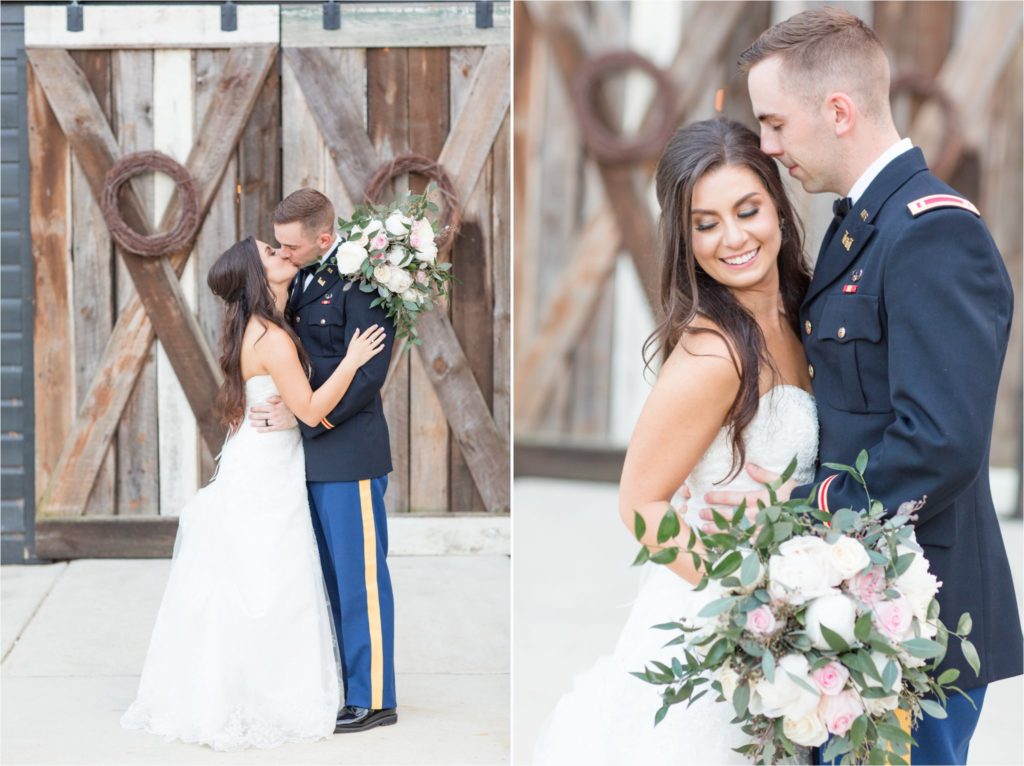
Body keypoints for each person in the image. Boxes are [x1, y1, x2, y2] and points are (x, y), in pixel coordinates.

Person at [700, 8, 1023, 764]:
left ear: (838, 110)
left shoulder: (931, 232)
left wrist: (805, 515)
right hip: (855, 604)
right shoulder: (861, 228)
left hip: (919, 621)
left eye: (776, 124)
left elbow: (941, 442)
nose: (770, 148)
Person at [534, 118, 818, 765]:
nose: (734, 237)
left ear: (777, 204)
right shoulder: (713, 354)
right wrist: (750, 605)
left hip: (793, 612)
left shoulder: (802, 311)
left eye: (747, 210)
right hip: (721, 626)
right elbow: (641, 503)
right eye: (706, 222)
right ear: (684, 238)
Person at [120, 236, 386, 750]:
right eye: (271, 252)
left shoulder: (261, 328)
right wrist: (352, 361)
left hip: (261, 458)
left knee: (254, 579)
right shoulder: (273, 338)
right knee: (270, 582)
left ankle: (245, 689)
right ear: (255, 276)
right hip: (268, 468)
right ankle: (266, 696)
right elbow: (310, 412)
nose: (284, 254)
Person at [250, 188, 399, 733]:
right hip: (307, 460)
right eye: (279, 246)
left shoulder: (362, 282)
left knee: (360, 579)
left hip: (348, 453)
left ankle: (375, 696)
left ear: (324, 238)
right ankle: (342, 684)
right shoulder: (300, 282)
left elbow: (368, 374)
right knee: (326, 579)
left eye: (292, 246)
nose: (284, 255)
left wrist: (306, 416)